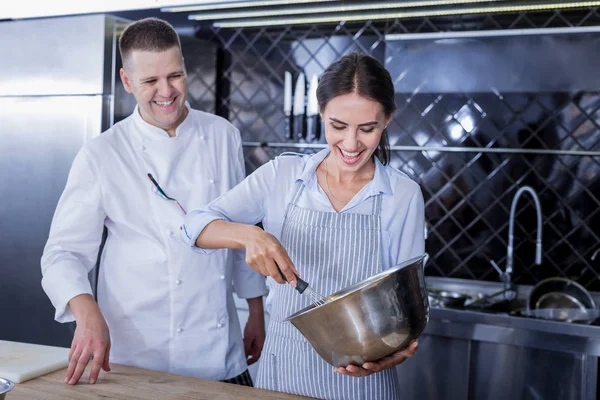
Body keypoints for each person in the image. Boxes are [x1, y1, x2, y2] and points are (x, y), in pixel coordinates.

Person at [181, 52, 424, 400]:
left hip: (363, 380)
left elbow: (405, 308)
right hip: (284, 373)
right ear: (322, 114)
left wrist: (395, 354)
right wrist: (250, 235)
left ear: (387, 119)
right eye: (337, 126)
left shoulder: (403, 195)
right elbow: (193, 226)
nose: (351, 144)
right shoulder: (282, 176)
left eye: (367, 129)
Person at [40, 17, 267, 387]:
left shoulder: (223, 134)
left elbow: (240, 232)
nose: (167, 91)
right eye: (150, 81)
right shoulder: (103, 153)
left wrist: (255, 310)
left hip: (220, 354)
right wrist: (87, 312)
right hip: (138, 358)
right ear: (127, 82)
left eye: (175, 75)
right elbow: (62, 253)